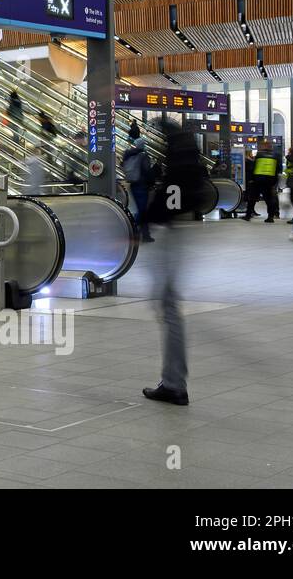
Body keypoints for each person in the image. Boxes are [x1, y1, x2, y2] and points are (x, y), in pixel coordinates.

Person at [141, 119, 206, 406]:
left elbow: (167, 201)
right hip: (181, 232)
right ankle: (173, 379)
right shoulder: (188, 158)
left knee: (167, 307)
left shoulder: (177, 164)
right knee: (167, 306)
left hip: (171, 236)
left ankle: (174, 384)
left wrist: (142, 223)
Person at [121, 122, 155, 242]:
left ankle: (140, 233)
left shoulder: (128, 155)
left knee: (140, 209)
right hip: (142, 185)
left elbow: (123, 165)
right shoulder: (143, 156)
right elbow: (147, 171)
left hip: (133, 184)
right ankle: (136, 232)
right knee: (142, 210)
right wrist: (151, 183)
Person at [242, 140, 280, 223]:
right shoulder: (276, 156)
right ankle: (270, 217)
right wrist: (274, 181)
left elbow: (253, 167)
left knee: (252, 199)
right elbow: (278, 169)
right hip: (269, 181)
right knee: (269, 199)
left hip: (257, 180)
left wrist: (251, 179)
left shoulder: (259, 155)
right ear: (271, 147)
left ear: (264, 146)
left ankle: (248, 216)